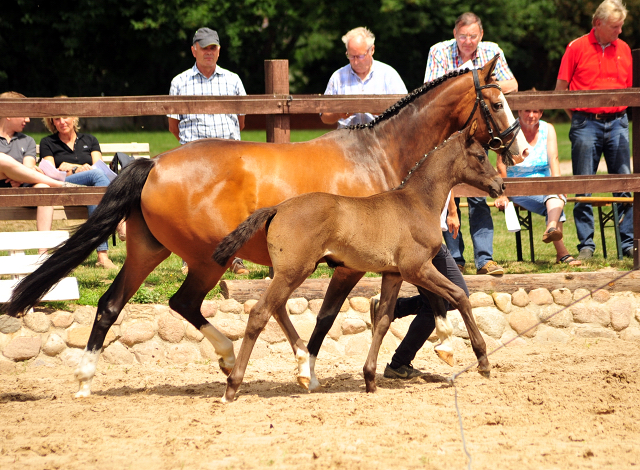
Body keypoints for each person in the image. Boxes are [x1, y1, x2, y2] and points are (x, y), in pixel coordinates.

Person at [424, 11, 518, 275]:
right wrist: (477, 87)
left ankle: (484, 258)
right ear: (455, 34)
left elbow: (511, 84)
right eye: (463, 36)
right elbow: (431, 91)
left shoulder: (491, 50)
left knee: (479, 192)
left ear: (481, 35)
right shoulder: (439, 52)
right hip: (449, 132)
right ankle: (455, 258)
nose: (467, 41)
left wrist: (474, 90)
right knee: (447, 189)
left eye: (472, 36)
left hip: (482, 132)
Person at [555, 0, 633, 260]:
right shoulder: (576, 47)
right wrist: (578, 117)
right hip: (586, 122)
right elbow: (560, 91)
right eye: (615, 26)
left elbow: (630, 91)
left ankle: (629, 244)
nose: (619, 31)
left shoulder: (624, 49)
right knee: (584, 184)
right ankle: (586, 246)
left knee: (624, 183)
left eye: (621, 26)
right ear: (597, 23)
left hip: (619, 122)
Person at [168, 27, 249, 275]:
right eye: (204, 48)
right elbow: (174, 125)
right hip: (194, 155)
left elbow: (241, 121)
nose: (209, 52)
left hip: (228, 151)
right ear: (194, 50)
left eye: (213, 48)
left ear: (219, 50)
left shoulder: (233, 80)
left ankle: (235, 257)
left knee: (234, 204)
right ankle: (191, 256)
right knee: (193, 206)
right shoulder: (179, 82)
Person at [494, 105, 582, 267]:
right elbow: (501, 165)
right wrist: (503, 193)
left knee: (556, 195)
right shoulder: (509, 129)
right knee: (554, 203)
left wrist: (558, 184)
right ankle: (561, 251)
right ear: (519, 112)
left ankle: (551, 228)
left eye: (536, 111)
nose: (531, 115)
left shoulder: (548, 129)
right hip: (517, 184)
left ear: (541, 113)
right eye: (527, 110)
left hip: (545, 183)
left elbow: (553, 159)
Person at [40, 115, 119, 269]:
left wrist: (72, 166)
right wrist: (78, 169)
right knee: (96, 177)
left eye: (65, 117)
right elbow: (51, 174)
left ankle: (102, 258)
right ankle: (117, 222)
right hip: (63, 186)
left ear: (74, 118)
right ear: (52, 122)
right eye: (56, 119)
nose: (62, 122)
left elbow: (99, 166)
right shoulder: (47, 142)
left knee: (95, 185)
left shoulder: (90, 140)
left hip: (91, 188)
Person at [320, 26, 407, 128]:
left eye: (360, 56)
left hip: (381, 139)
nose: (356, 61)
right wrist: (338, 114)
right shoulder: (338, 77)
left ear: (372, 50)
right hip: (347, 140)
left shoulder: (389, 75)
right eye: (351, 56)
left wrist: (379, 110)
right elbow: (324, 116)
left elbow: (406, 111)